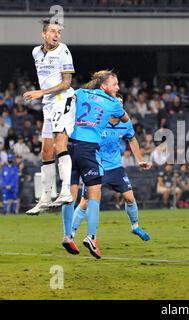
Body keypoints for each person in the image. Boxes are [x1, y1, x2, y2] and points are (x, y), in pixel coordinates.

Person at [60, 70, 129, 259]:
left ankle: (67, 235)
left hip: (69, 146)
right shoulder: (113, 102)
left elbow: (67, 99)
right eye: (115, 84)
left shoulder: (81, 93)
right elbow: (125, 119)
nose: (118, 87)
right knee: (93, 194)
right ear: (104, 86)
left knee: (70, 194)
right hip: (88, 149)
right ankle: (92, 236)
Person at [71, 94, 151, 242]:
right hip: (97, 165)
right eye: (115, 102)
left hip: (115, 167)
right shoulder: (98, 120)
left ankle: (135, 226)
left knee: (130, 197)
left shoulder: (126, 123)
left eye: (120, 103)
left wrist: (139, 159)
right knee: (85, 202)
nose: (118, 105)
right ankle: (71, 234)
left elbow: (132, 139)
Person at [25, 19, 76, 214]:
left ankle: (65, 192)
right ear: (44, 34)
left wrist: (40, 92)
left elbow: (66, 83)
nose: (56, 35)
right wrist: (44, 96)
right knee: (46, 151)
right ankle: (45, 198)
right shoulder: (36, 52)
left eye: (59, 32)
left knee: (59, 145)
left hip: (63, 99)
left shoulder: (63, 50)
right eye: (53, 31)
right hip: (48, 104)